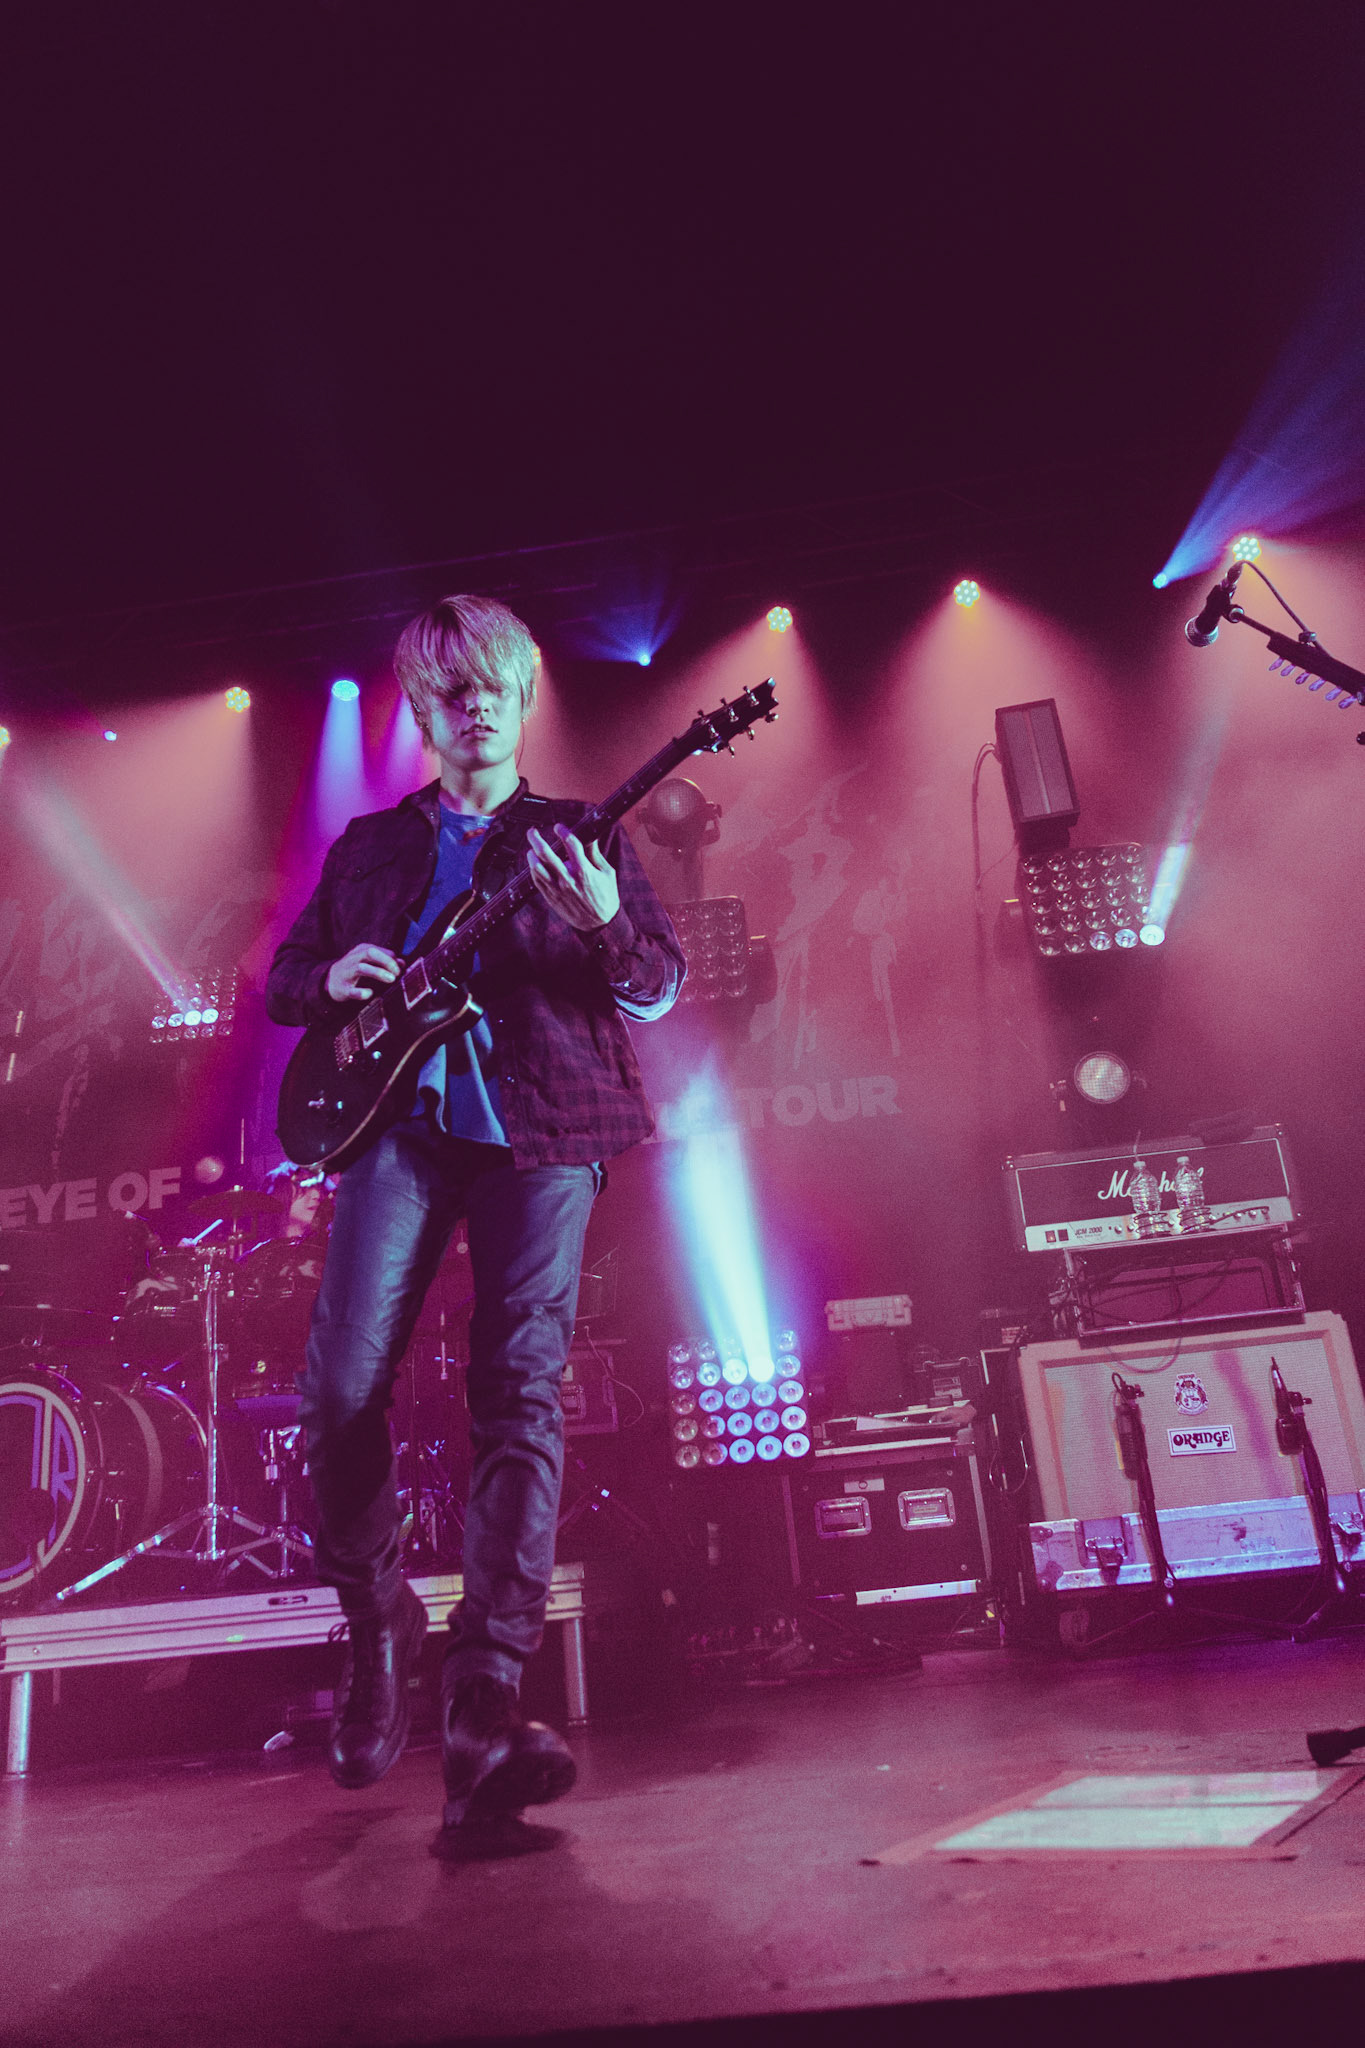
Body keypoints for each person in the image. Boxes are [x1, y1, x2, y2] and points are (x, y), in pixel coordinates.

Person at [265, 594, 683, 1846]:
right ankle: (379, 1616)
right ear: (422, 709)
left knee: (519, 1392)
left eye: (494, 681)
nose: (476, 701)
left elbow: (657, 985)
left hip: (544, 1130)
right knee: (339, 1387)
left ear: (525, 695)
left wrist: (602, 919)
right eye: (451, 687)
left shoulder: (577, 834)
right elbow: (285, 978)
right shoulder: (369, 848)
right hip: (397, 1126)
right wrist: (329, 979)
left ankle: (486, 1694)